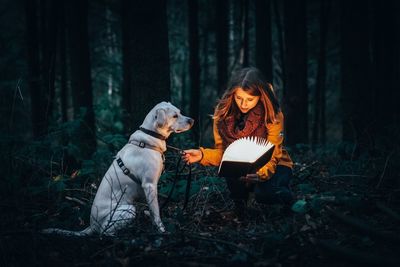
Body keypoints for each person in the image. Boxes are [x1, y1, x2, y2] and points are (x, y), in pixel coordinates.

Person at [183, 67, 294, 216]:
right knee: (232, 167)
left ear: (260, 96)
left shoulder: (272, 114)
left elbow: (274, 153)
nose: (243, 104)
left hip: (275, 164)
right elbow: (224, 154)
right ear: (232, 94)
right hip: (243, 168)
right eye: (239, 98)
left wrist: (261, 174)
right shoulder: (222, 114)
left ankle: (288, 200)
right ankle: (240, 206)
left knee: (265, 195)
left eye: (250, 99)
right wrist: (202, 155)